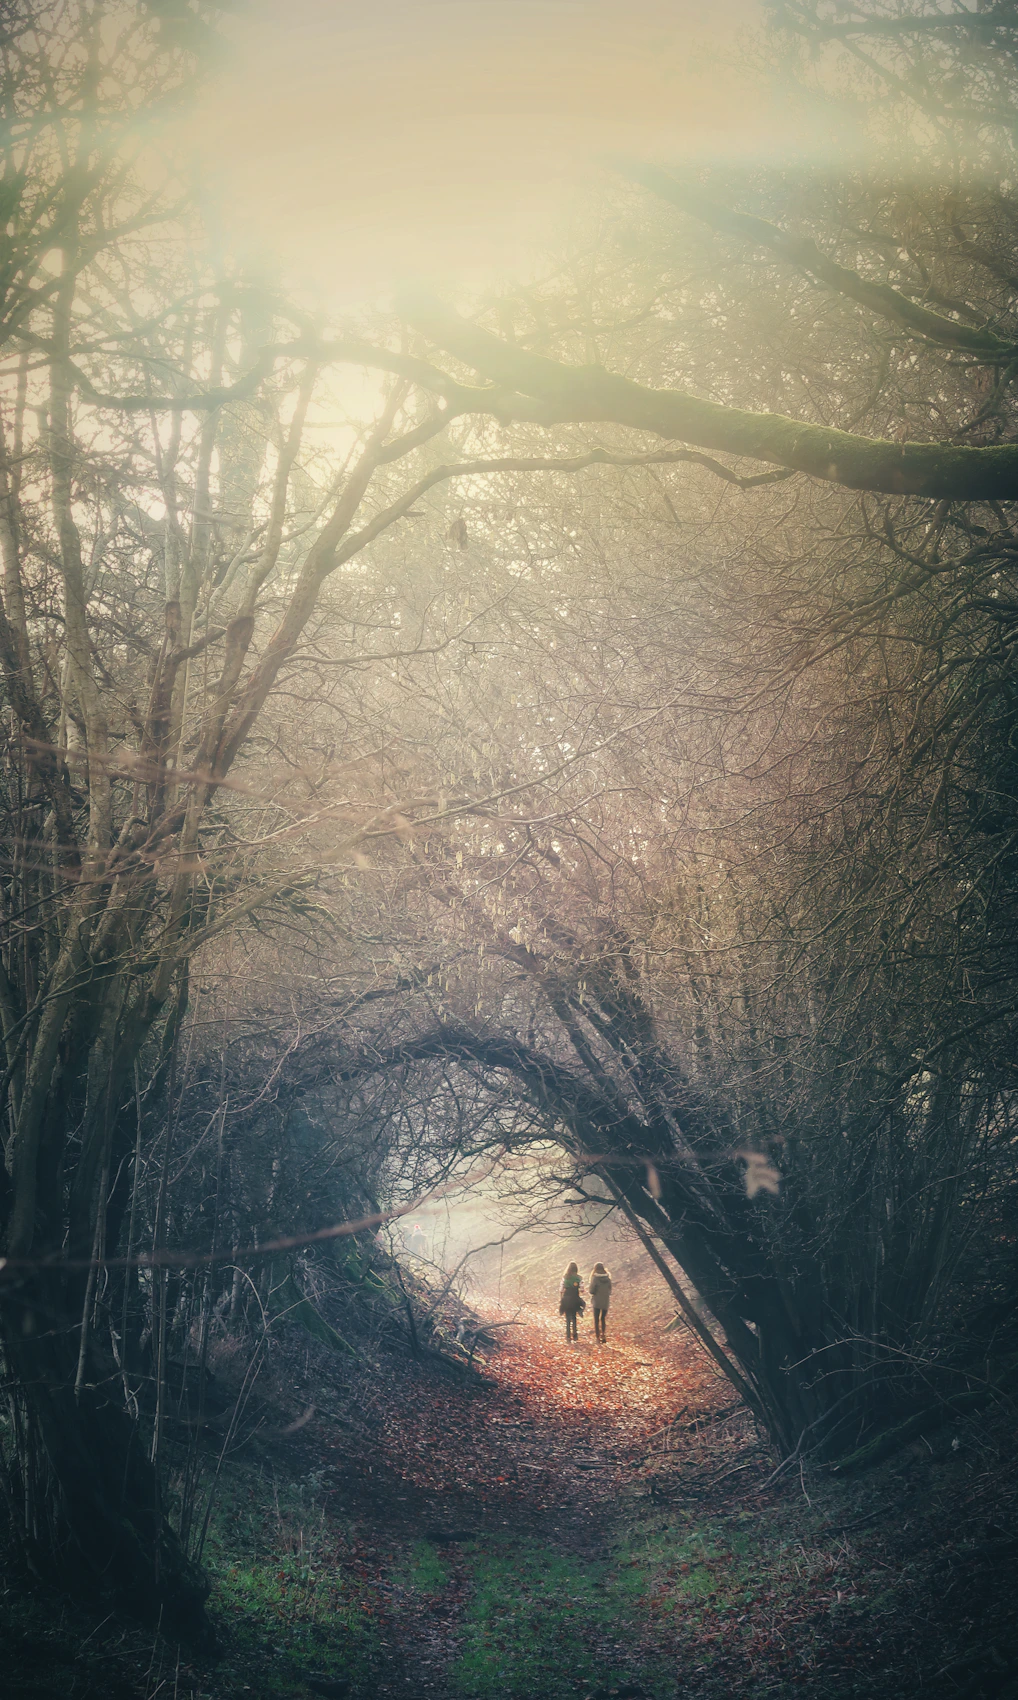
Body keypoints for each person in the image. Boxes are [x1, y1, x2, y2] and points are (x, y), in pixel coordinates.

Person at [559, 1261, 584, 1342]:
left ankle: (568, 1336)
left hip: (566, 1298)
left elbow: (561, 1289)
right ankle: (575, 1335)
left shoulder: (564, 1277)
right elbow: (582, 1289)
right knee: (574, 1317)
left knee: (567, 1318)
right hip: (575, 1298)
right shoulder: (579, 1278)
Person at [589, 1262, 612, 1342]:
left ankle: (597, 1337)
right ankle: (603, 1334)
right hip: (605, 1301)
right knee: (603, 1318)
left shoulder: (595, 1278)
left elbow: (591, 1291)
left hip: (597, 1301)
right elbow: (610, 1290)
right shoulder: (608, 1279)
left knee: (596, 1319)